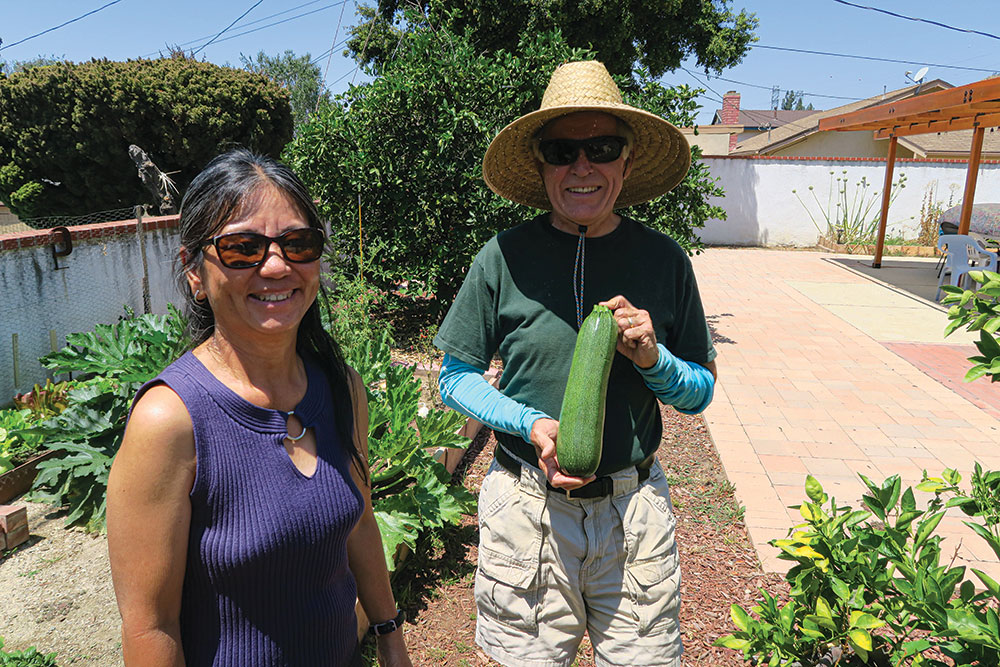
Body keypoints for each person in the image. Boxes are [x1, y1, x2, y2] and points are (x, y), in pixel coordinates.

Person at [434, 61, 718, 666]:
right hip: (525, 511)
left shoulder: (663, 259)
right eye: (563, 150)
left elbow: (699, 392)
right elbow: (455, 380)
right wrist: (529, 425)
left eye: (602, 147)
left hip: (633, 517)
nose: (582, 165)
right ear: (541, 165)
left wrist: (653, 358)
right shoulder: (502, 257)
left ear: (627, 161)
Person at [106, 148, 412, 667]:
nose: (276, 265)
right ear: (194, 272)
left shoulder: (340, 388)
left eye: (298, 243)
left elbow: (359, 522)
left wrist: (388, 633)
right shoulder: (171, 420)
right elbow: (151, 627)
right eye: (242, 247)